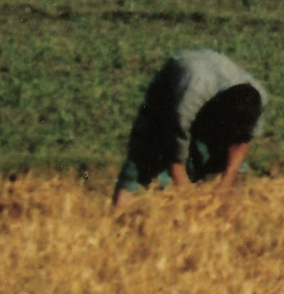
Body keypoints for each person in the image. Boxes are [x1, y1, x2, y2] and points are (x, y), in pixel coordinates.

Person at [113, 48, 267, 209]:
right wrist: (187, 194)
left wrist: (226, 183)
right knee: (144, 148)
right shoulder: (190, 96)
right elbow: (174, 149)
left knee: (235, 170)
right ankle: (121, 209)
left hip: (215, 87)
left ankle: (231, 217)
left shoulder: (258, 99)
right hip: (171, 88)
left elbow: (242, 141)